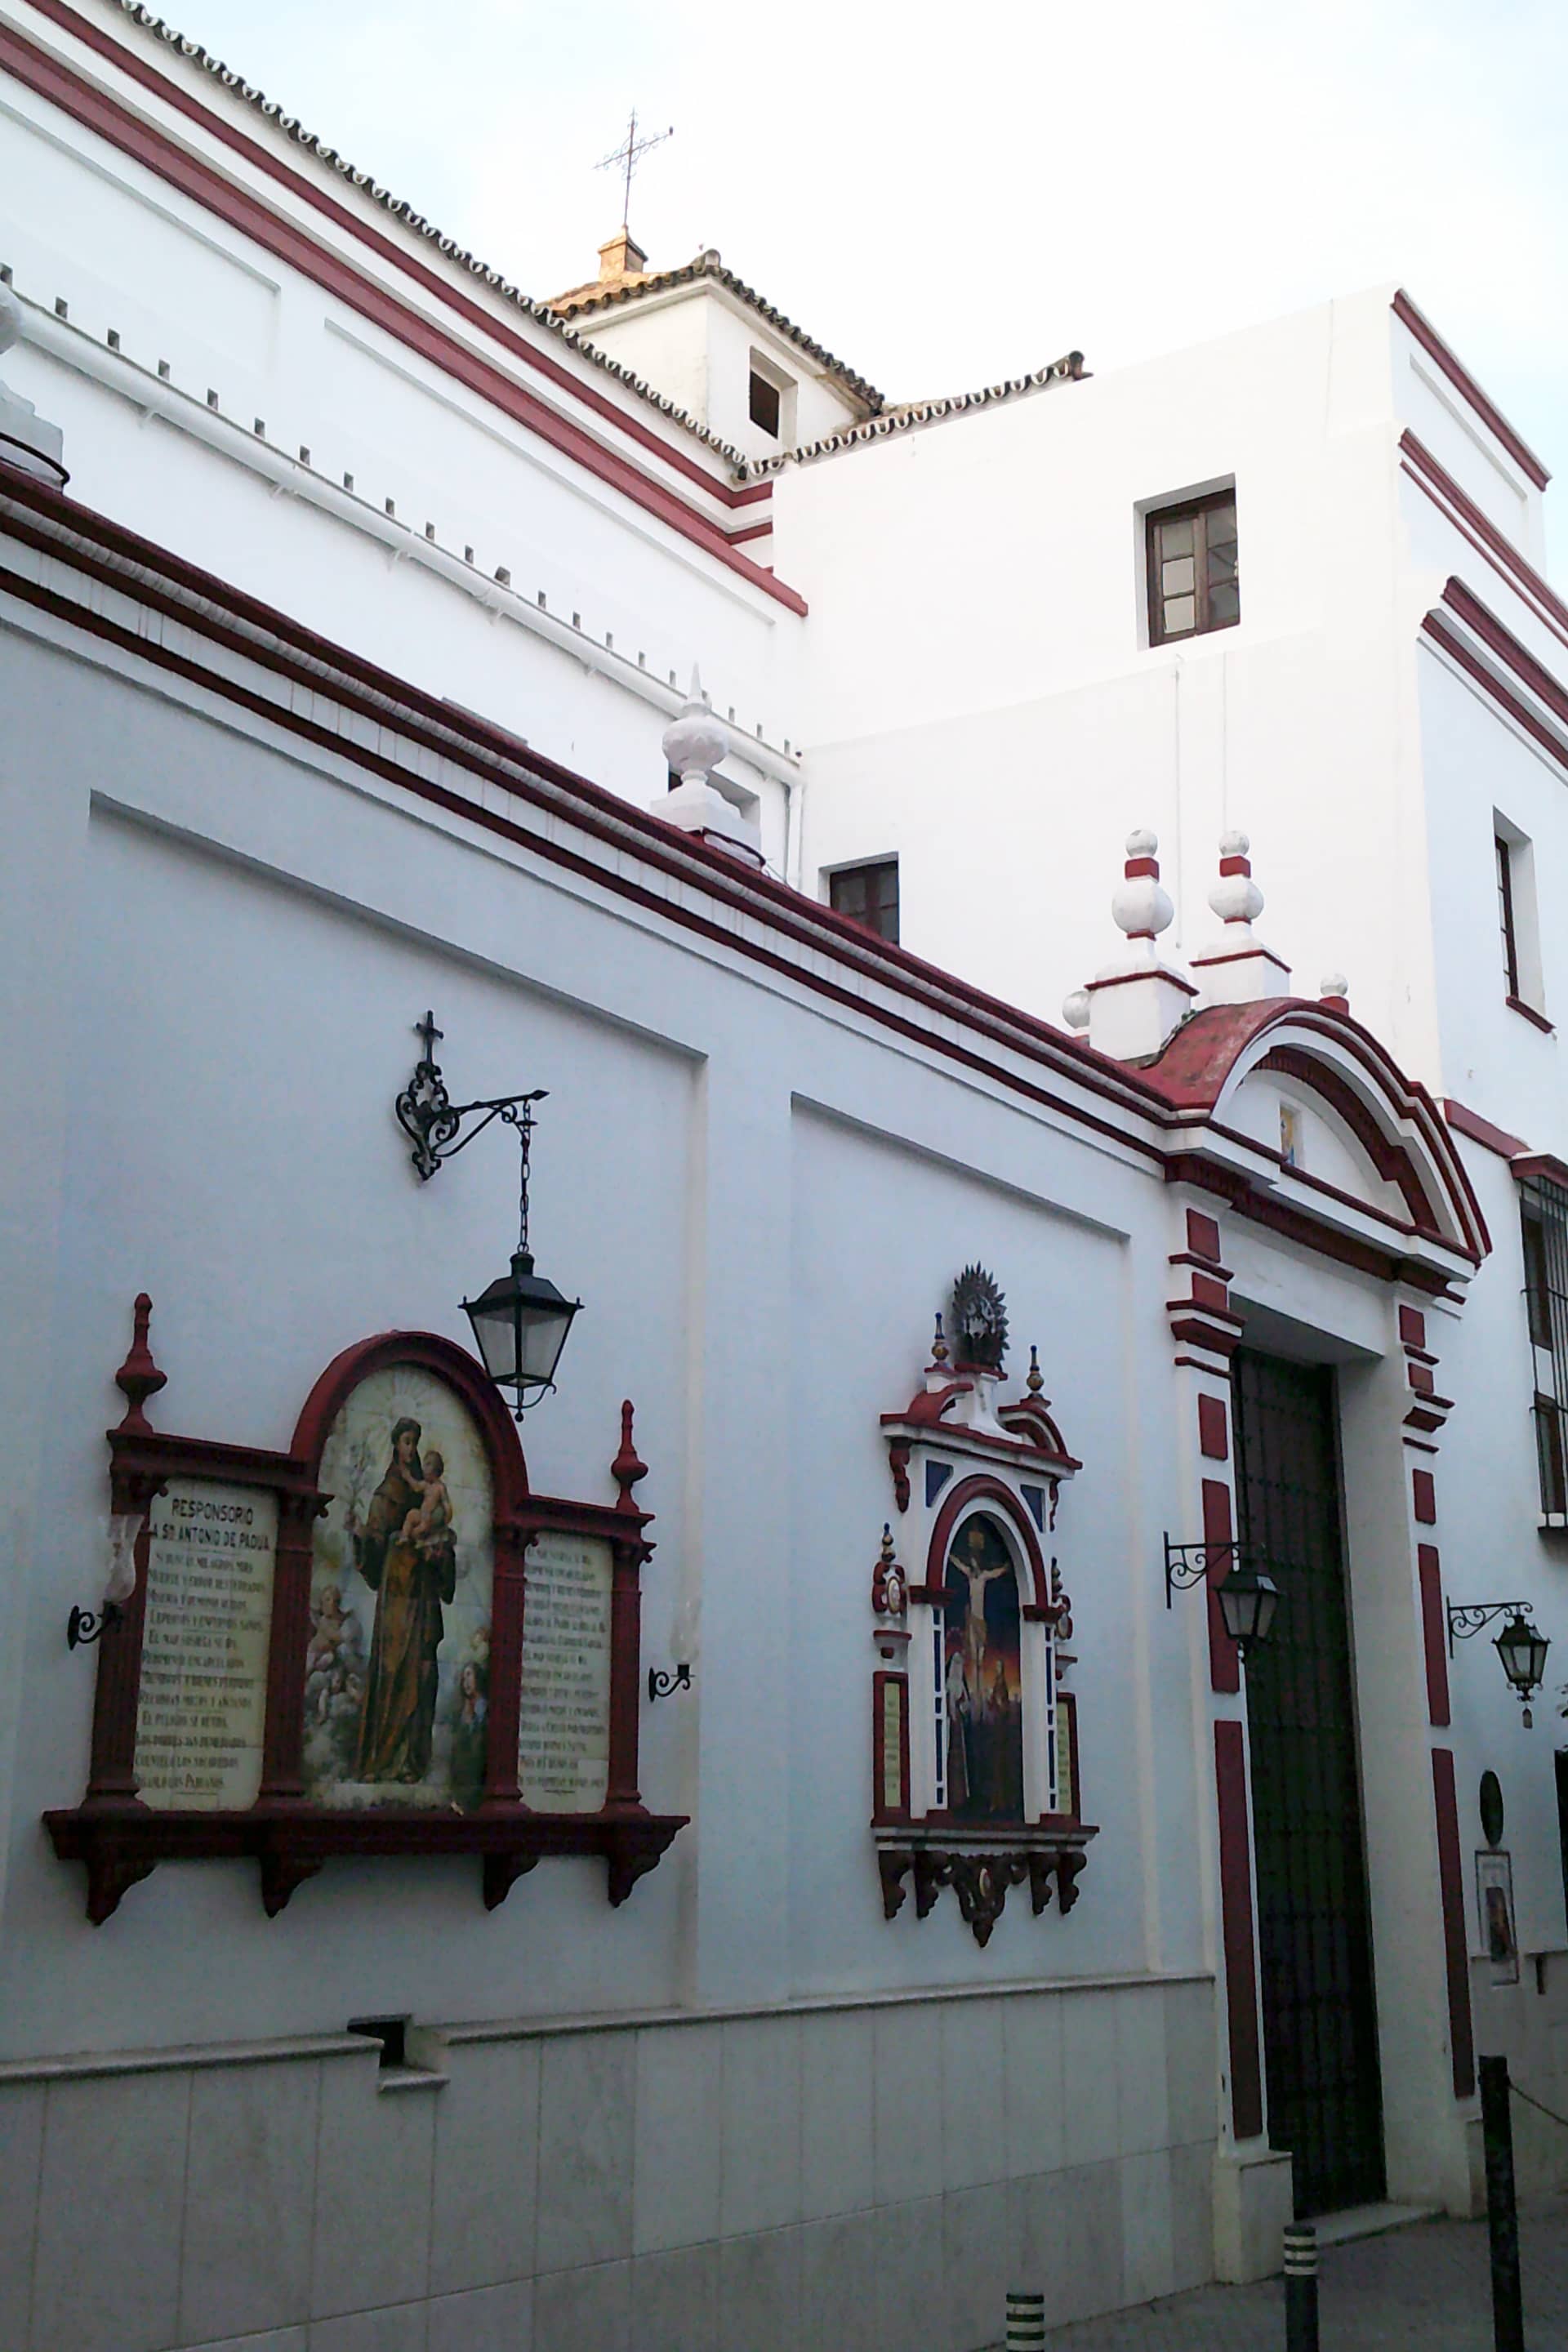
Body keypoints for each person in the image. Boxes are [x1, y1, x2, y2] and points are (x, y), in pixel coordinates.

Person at [349, 1417, 457, 1784]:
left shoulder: (431, 1493)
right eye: (406, 1442)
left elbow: (445, 1536)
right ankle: (381, 1759)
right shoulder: (386, 1494)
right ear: (396, 1445)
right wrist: (363, 1537)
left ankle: (415, 1761)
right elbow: (375, 1546)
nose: (411, 1449)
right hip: (396, 1595)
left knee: (424, 1673)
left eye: (415, 1442)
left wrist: (438, 1555)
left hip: (422, 1595)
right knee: (392, 1672)